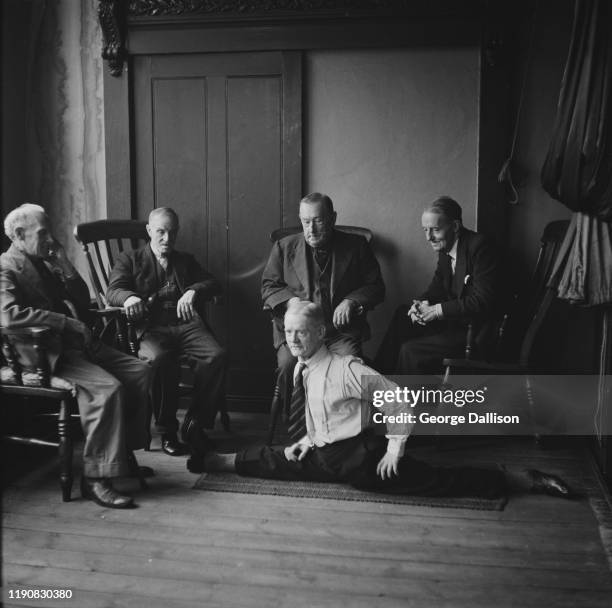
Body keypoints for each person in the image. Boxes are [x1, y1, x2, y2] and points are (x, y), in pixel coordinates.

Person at [186, 301, 572, 501]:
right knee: (280, 458)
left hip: (359, 456)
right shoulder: (300, 368)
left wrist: (393, 449)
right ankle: (212, 460)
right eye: (288, 332)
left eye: (301, 333)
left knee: (434, 481)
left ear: (320, 332)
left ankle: (519, 479)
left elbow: (399, 400)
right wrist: (306, 439)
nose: (294, 340)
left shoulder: (348, 369)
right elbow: (321, 414)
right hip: (324, 451)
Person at [1, 204, 153, 508]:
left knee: (141, 372)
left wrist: (64, 262)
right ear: (19, 235)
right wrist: (64, 321)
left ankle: (119, 455)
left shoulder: (44, 261)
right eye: (43, 232)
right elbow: (7, 316)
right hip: (46, 354)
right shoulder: (7, 266)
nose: (50, 238)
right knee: (108, 390)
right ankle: (96, 479)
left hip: (74, 345)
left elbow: (83, 300)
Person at [106, 207, 227, 457]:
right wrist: (128, 299)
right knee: (161, 359)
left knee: (216, 356)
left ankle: (194, 425)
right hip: (151, 328)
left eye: (172, 233)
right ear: (149, 231)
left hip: (186, 325)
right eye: (160, 232)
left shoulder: (185, 260)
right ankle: (167, 431)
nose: (167, 239)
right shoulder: (129, 259)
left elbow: (213, 282)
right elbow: (113, 291)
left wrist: (194, 291)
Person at [261, 192, 385, 436]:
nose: (311, 229)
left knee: (348, 366)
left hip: (338, 332)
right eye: (306, 222)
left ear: (332, 218)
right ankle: (299, 429)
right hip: (298, 334)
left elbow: (376, 286)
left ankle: (342, 430)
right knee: (288, 366)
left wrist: (352, 300)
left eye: (318, 221)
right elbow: (268, 286)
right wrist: (293, 303)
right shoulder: (284, 247)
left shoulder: (356, 246)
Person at [375, 196, 500, 374]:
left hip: (475, 331)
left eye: (435, 230)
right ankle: (379, 382)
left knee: (411, 350)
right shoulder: (445, 247)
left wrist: (435, 311)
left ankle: (404, 400)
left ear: (455, 227)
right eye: (425, 230)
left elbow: (482, 301)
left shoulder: (481, 248)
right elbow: (437, 288)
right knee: (403, 315)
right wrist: (420, 304)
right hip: (456, 321)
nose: (428, 237)